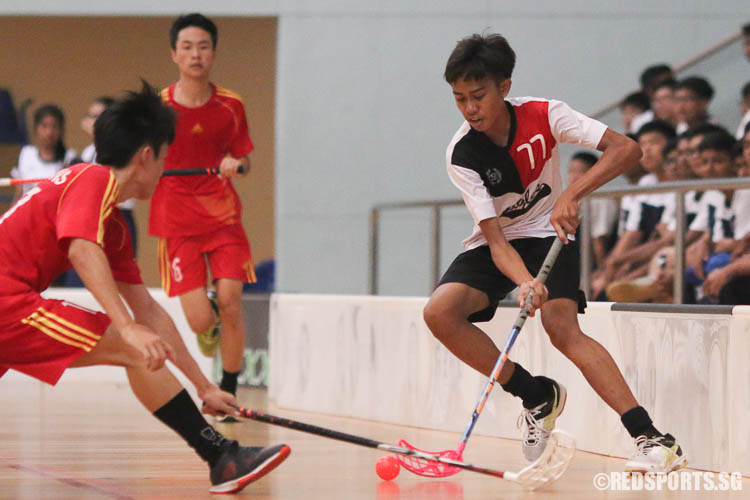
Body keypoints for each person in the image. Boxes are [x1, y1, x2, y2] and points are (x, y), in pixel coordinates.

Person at [0, 82, 289, 494]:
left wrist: (202, 384)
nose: (166, 168)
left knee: (138, 344)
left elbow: (149, 313)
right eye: (166, 156)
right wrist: (126, 327)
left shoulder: (112, 224)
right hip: (7, 304)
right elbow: (81, 251)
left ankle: (222, 457)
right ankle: (220, 457)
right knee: (133, 347)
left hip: (11, 304)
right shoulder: (92, 179)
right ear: (146, 155)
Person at [425, 33, 685, 473]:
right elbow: (495, 238)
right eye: (459, 99)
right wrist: (525, 283)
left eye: (478, 96)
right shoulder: (462, 153)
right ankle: (534, 393)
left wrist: (574, 193)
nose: (470, 108)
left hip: (551, 230)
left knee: (562, 329)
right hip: (501, 243)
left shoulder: (545, 115)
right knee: (440, 313)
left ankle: (652, 439)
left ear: (504, 87)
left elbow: (627, 149)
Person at [150, 13, 255, 416]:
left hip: (222, 216)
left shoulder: (231, 105)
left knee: (231, 300)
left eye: (204, 46)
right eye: (188, 47)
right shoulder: (157, 108)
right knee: (198, 322)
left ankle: (228, 391)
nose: (196, 54)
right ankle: (207, 323)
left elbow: (245, 161)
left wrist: (235, 165)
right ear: (175, 54)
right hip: (176, 223)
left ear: (213, 52)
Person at [80, 96, 138, 255]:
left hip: (117, 216)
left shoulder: (123, 148)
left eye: (97, 117)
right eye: (90, 116)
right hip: (93, 217)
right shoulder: (89, 151)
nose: (92, 121)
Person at [10, 104, 76, 204]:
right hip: (28, 213)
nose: (49, 132)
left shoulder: (70, 158)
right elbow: (19, 194)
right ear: (36, 129)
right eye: (44, 126)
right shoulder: (26, 154)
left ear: (61, 130)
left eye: (54, 126)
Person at [567, 152, 617, 270]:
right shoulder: (575, 200)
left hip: (591, 268)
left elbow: (599, 241)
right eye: (571, 171)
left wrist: (601, 272)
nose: (573, 176)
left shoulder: (600, 200)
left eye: (580, 171)